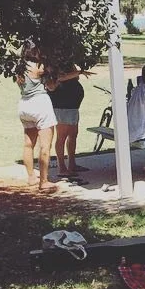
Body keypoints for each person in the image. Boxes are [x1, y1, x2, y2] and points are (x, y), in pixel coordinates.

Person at [15, 48, 57, 193]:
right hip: (40, 104)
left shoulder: (20, 67)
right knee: (45, 146)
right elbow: (52, 86)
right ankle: (44, 181)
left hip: (24, 105)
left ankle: (31, 177)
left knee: (28, 144)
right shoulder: (39, 67)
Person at [48, 64, 89, 178]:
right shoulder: (53, 65)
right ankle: (62, 167)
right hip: (63, 106)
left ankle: (72, 164)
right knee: (62, 137)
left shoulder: (68, 63)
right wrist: (77, 73)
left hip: (73, 106)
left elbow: (75, 77)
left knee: (73, 134)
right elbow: (58, 79)